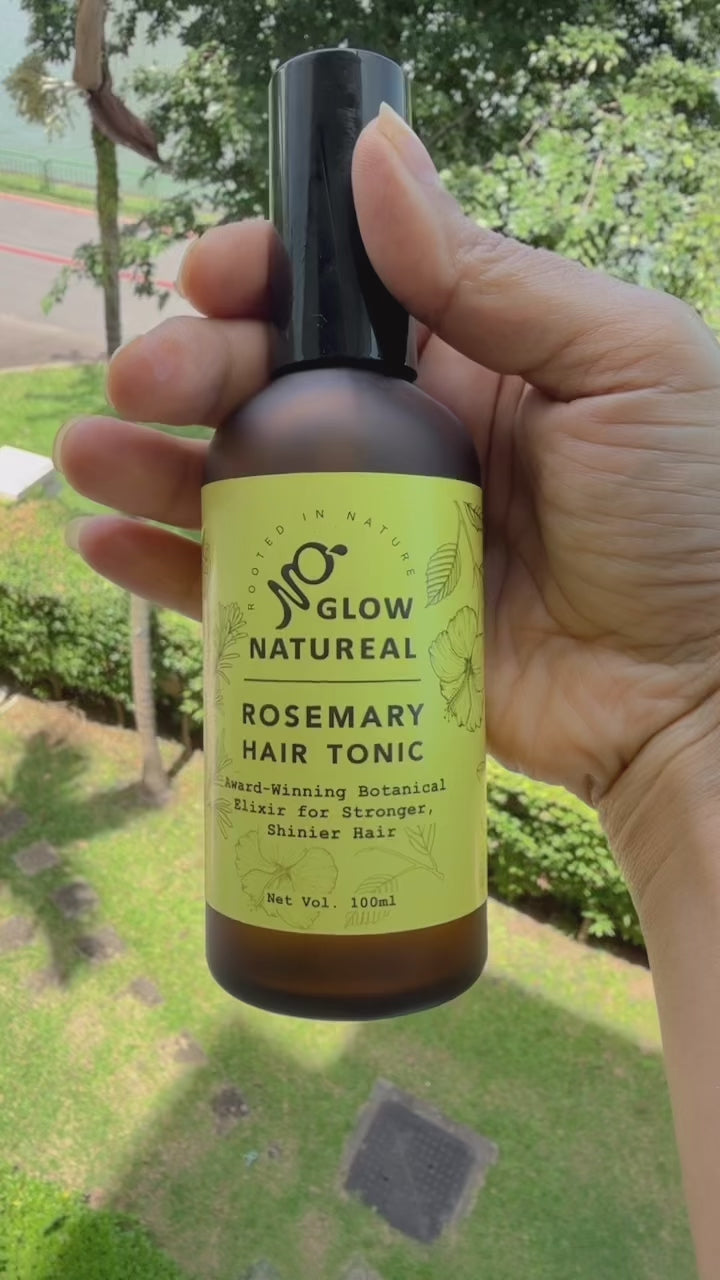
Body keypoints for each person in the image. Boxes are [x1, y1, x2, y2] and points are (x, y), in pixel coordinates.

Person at [52, 107, 720, 1277]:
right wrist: (684, 732)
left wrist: (689, 706)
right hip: (266, 884)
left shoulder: (432, 435)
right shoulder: (268, 435)